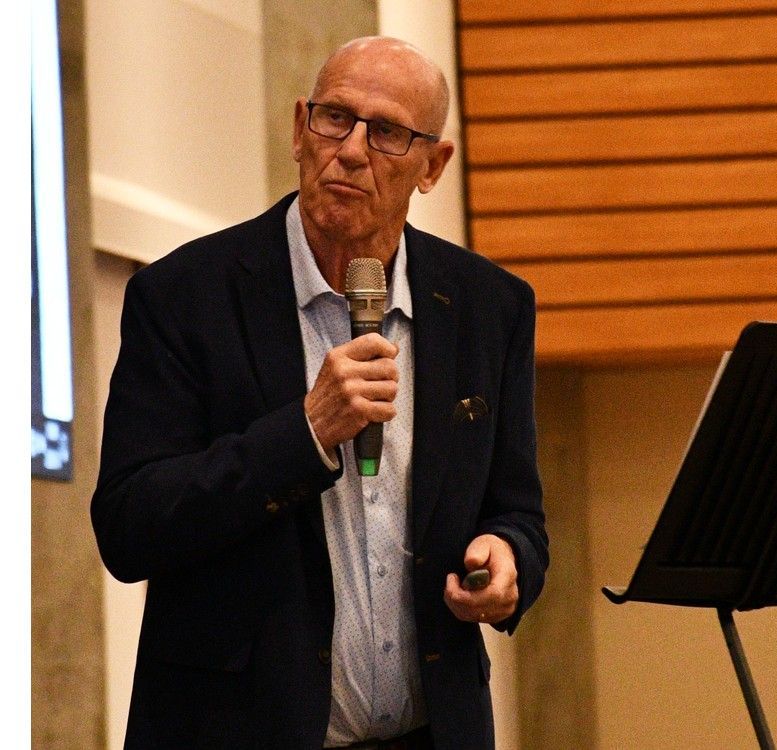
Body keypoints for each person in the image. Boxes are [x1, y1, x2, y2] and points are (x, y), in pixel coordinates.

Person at [91, 36, 548, 750]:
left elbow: (519, 512)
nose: (352, 150)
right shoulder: (184, 297)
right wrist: (303, 432)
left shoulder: (490, 307)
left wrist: (508, 555)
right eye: (336, 118)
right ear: (301, 128)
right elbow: (129, 526)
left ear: (433, 166)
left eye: (387, 132)